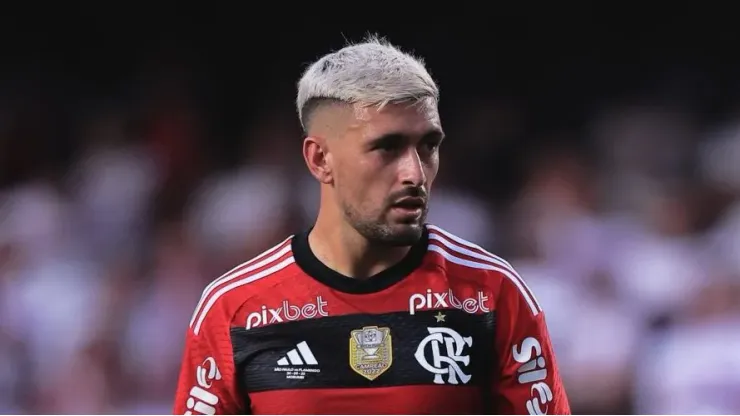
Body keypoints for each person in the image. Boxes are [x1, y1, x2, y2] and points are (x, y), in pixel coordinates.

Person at [173, 35, 570, 415]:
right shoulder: (234, 309)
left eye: (428, 146)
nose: (415, 173)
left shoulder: (492, 294)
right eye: (387, 147)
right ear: (320, 160)